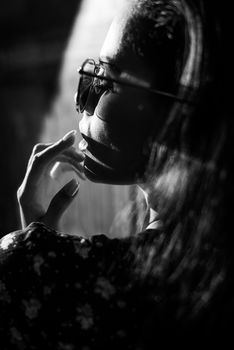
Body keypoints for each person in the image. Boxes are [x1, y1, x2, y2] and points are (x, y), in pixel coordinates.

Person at [0, 0, 232, 348]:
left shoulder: (31, 267)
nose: (84, 100)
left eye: (104, 79)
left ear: (177, 115)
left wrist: (35, 256)